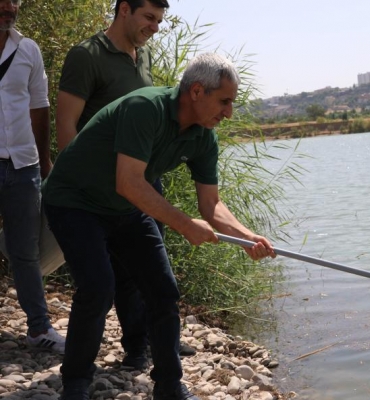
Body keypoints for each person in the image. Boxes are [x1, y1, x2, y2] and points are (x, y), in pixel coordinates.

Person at [43, 53, 276, 400]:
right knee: (98, 288)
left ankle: (169, 386)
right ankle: (75, 385)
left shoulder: (204, 135)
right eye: (224, 101)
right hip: (75, 202)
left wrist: (246, 237)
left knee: (163, 291)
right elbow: (130, 182)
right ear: (197, 91)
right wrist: (184, 225)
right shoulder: (144, 108)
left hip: (126, 208)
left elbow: (210, 205)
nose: (228, 112)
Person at [54, 0, 196, 369]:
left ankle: (153, 342)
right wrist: (78, 181)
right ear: (124, 10)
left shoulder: (142, 55)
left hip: (144, 180)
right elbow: (66, 124)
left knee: (148, 268)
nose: (155, 27)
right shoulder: (87, 56)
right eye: (149, 17)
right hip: (98, 187)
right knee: (110, 276)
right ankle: (131, 348)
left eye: (160, 20)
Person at [0, 0, 64, 353]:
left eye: (14, 0)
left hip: (23, 166)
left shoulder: (28, 49)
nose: (9, 6)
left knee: (25, 251)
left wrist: (44, 160)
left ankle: (39, 329)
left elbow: (39, 105)